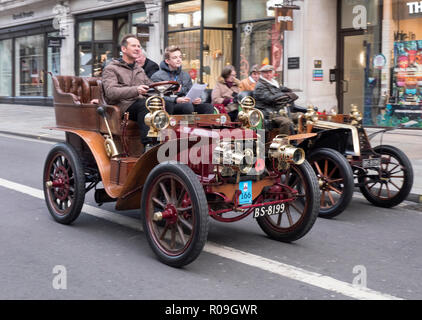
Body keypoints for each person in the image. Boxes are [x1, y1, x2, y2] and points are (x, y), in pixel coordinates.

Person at [102, 34, 155, 150]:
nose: (137, 48)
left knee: (166, 104)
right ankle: (148, 146)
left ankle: (165, 141)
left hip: (138, 103)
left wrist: (167, 88)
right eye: (134, 46)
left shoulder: (139, 69)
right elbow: (111, 92)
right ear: (124, 49)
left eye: (139, 46)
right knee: (145, 106)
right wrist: (136, 90)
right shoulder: (111, 68)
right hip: (122, 107)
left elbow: (150, 86)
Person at [150, 45, 214, 115]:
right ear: (167, 61)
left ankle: (202, 125)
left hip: (186, 102)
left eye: (180, 57)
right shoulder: (157, 76)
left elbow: (189, 91)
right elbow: (157, 95)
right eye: (175, 57)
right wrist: (176, 99)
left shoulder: (185, 75)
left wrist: (195, 99)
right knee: (187, 106)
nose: (179, 59)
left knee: (209, 107)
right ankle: (185, 125)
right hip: (171, 105)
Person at [253, 65, 298, 135]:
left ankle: (300, 138)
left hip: (278, 110)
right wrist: (286, 95)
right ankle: (282, 142)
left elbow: (282, 89)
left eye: (270, 72)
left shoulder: (273, 82)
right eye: (266, 73)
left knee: (300, 116)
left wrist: (290, 91)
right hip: (267, 112)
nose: (268, 74)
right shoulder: (260, 86)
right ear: (261, 74)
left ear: (273, 73)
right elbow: (270, 98)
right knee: (286, 122)